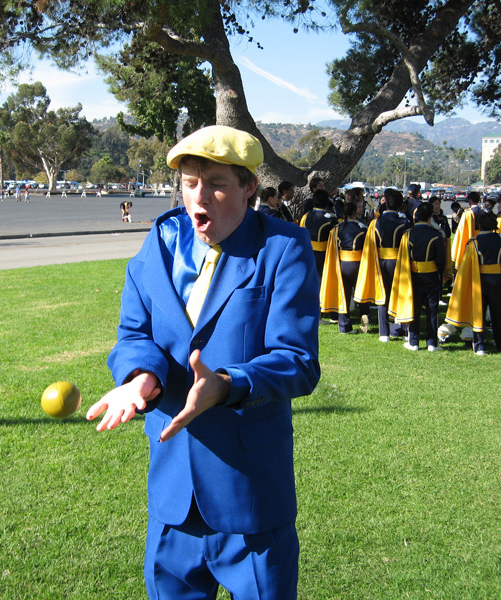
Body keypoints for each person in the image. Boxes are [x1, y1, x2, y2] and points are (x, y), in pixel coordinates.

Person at [87, 125, 320, 600]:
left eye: (216, 182)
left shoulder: (283, 249)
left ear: (249, 187)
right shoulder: (155, 250)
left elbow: (297, 360)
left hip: (251, 500)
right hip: (173, 501)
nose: (200, 197)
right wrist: (141, 377)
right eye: (190, 182)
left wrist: (229, 384)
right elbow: (135, 334)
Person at [446, 211, 501, 355]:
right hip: (496, 280)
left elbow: (467, 265)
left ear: (480, 225)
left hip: (479, 281)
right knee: (497, 315)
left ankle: (479, 345)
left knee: (478, 314)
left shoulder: (473, 242)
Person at [354, 188, 411, 341]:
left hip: (380, 262)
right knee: (402, 294)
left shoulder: (375, 223)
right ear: (400, 206)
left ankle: (384, 333)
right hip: (400, 262)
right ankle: (405, 330)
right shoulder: (404, 222)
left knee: (382, 295)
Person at [389, 202, 446, 351]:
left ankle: (413, 341)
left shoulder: (408, 234)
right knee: (432, 310)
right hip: (432, 275)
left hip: (413, 276)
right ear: (430, 216)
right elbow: (441, 260)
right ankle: (432, 343)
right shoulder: (435, 234)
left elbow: (404, 258)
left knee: (413, 308)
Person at [320, 198, 371, 334]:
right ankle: (365, 318)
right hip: (358, 263)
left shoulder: (337, 229)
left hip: (342, 264)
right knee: (362, 292)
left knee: (344, 295)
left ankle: (344, 326)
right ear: (355, 213)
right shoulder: (362, 228)